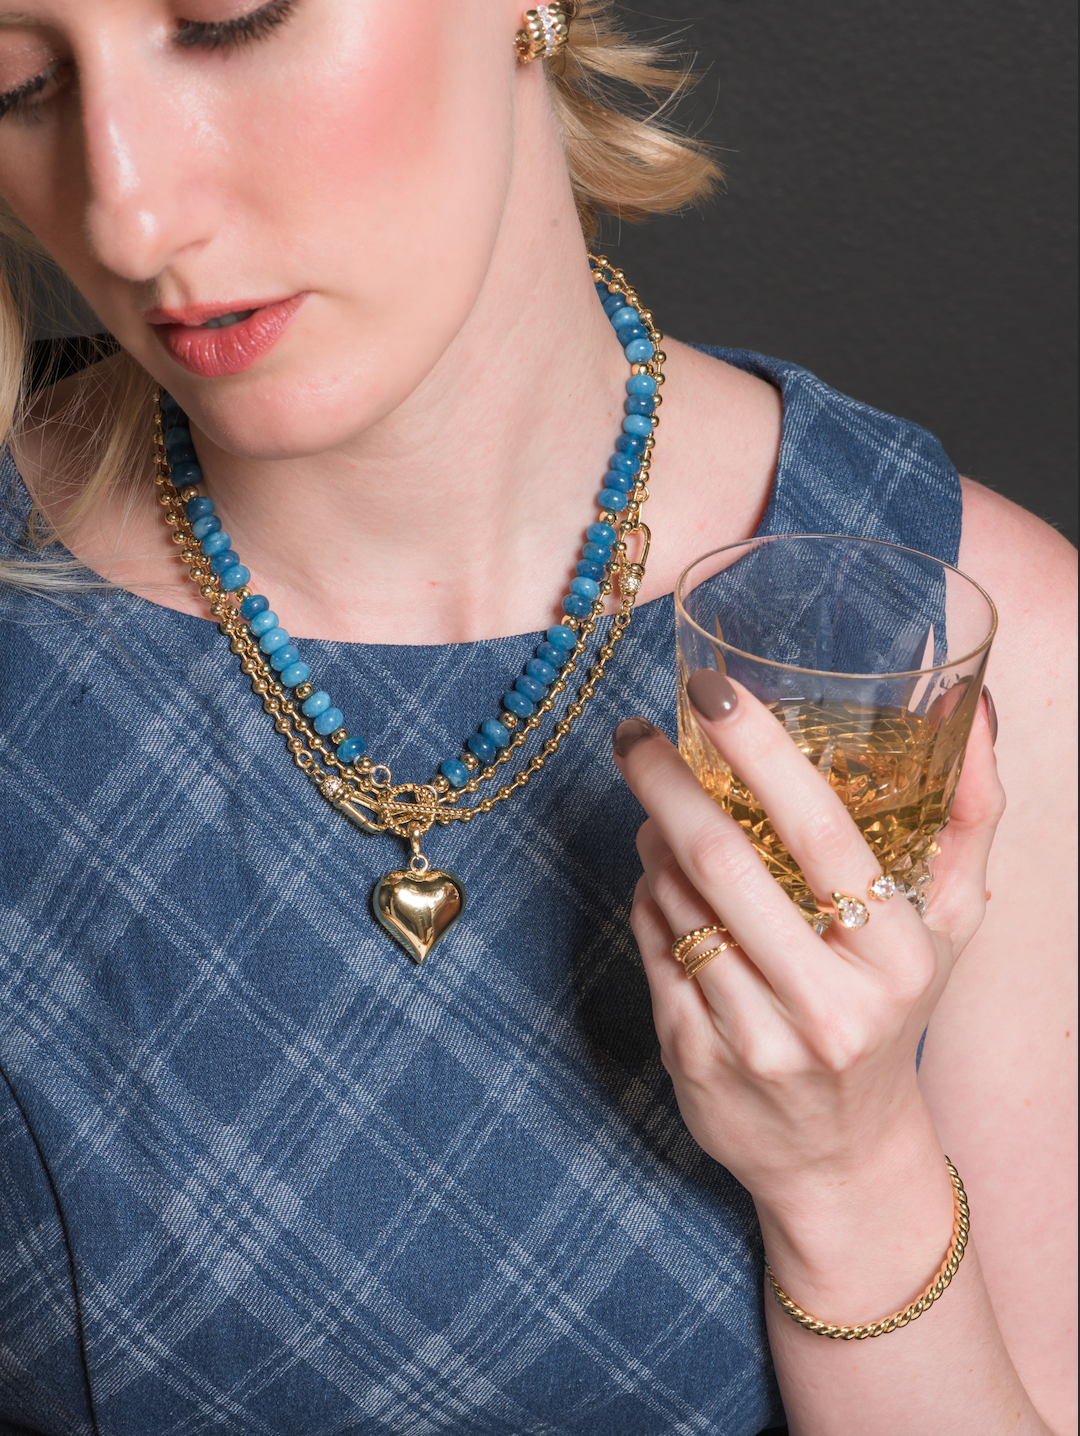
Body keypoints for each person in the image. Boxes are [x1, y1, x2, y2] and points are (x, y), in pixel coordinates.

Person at [0, 2, 1074, 1433]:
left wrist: (849, 1177)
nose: (126, 210)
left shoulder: (974, 639)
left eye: (226, 20)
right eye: (16, 80)